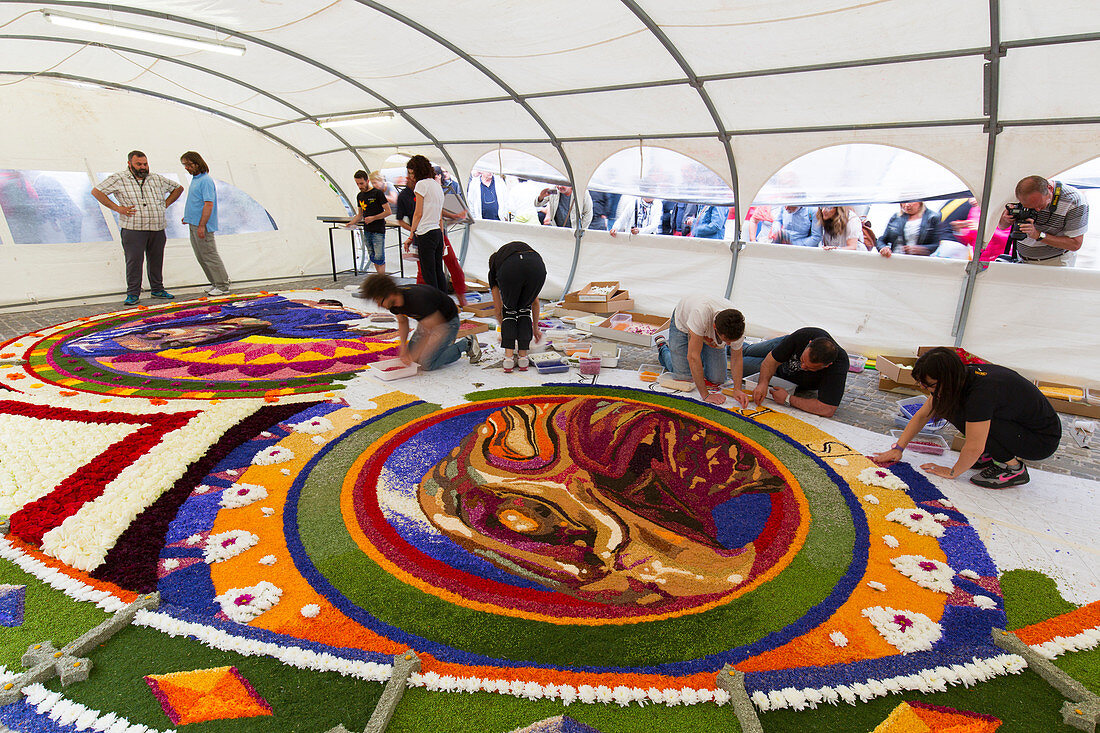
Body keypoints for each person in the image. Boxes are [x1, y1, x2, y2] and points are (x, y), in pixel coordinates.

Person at [872, 347, 1060, 488]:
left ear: (947, 378)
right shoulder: (959, 377)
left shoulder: (980, 394)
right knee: (949, 406)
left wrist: (953, 471)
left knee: (973, 421)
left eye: (929, 384)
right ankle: (991, 455)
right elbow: (922, 415)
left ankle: (1012, 468)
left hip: (1040, 440)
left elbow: (974, 444)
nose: (925, 388)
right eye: (922, 384)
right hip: (1019, 426)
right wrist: (898, 448)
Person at [92, 150, 184, 306]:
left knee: (156, 259)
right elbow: (97, 191)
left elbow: (178, 188)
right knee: (134, 261)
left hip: (157, 227)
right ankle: (133, 293)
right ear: (129, 164)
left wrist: (164, 205)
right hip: (133, 229)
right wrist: (117, 208)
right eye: (139, 164)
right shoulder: (119, 178)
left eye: (145, 164)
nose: (143, 167)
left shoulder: (156, 178)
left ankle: (157, 289)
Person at [360, 273, 481, 371]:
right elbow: (403, 322)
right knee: (412, 359)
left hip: (446, 323)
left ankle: (467, 343)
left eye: (379, 301)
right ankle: (443, 347)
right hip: (426, 323)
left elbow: (436, 329)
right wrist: (403, 347)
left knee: (426, 363)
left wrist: (415, 354)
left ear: (389, 294)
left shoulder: (417, 299)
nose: (379, 305)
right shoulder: (394, 304)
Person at [654, 295, 749, 406]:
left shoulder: (738, 326)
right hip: (683, 324)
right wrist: (706, 395)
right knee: (684, 377)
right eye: (726, 341)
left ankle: (699, 363)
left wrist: (737, 389)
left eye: (731, 342)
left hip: (707, 328)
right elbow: (693, 356)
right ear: (714, 327)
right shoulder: (699, 314)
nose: (728, 345)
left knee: (717, 379)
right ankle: (663, 348)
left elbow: (737, 359)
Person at [394, 173, 468, 306]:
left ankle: (458, 300)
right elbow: (402, 219)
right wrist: (413, 232)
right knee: (425, 272)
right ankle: (426, 301)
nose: (410, 178)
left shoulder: (428, 187)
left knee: (450, 265)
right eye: (409, 175)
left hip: (436, 234)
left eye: (412, 174)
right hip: (422, 235)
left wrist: (453, 216)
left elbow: (437, 211)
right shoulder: (405, 196)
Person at [742, 328, 848, 417]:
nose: (802, 366)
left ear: (827, 365)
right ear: (809, 344)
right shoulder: (804, 335)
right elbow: (771, 361)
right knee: (746, 350)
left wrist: (788, 399)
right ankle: (727, 345)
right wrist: (763, 383)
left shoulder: (839, 365)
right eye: (802, 360)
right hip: (780, 349)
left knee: (742, 364)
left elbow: (827, 409)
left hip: (780, 375)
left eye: (809, 368)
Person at [998, 175, 1089, 266]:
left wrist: (1038, 235)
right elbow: (1001, 227)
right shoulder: (1018, 194)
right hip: (1020, 259)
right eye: (1030, 207)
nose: (1037, 210)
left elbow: (1075, 244)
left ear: (1049, 188)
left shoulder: (1073, 201)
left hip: (1055, 262)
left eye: (1040, 206)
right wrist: (1006, 220)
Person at [488, 241, 546, 373]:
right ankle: (523, 358)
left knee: (509, 310)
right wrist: (535, 329)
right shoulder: (508, 255)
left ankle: (508, 359)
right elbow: (535, 302)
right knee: (524, 309)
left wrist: (506, 332)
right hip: (537, 265)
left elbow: (498, 309)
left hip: (512, 267)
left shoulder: (495, 270)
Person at [179, 151, 231, 296]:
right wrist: (188, 217)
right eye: (184, 165)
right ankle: (215, 283)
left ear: (197, 163)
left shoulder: (206, 180)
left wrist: (202, 225)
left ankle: (222, 285)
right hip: (194, 223)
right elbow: (195, 202)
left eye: (188, 165)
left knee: (209, 254)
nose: (186, 168)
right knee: (201, 255)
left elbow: (208, 204)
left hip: (203, 226)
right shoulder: (196, 179)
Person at [404, 155, 446, 292]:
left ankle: (434, 306)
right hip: (437, 233)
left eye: (411, 173)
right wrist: (442, 236)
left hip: (426, 233)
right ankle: (444, 304)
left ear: (418, 171)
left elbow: (418, 213)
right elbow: (440, 216)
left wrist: (410, 236)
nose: (410, 177)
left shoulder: (421, 185)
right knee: (438, 271)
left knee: (429, 274)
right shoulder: (437, 185)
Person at [344, 170, 392, 275]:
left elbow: (388, 211)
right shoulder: (360, 196)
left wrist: (374, 218)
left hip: (378, 230)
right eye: (357, 184)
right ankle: (380, 278)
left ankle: (382, 280)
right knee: (373, 255)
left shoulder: (377, 193)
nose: (360, 186)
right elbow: (360, 214)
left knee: (379, 256)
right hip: (367, 230)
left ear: (367, 181)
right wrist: (351, 223)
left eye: (361, 183)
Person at [875, 201, 949, 257]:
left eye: (911, 201)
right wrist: (883, 248)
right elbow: (882, 240)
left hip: (918, 262)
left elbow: (936, 244)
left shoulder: (932, 218)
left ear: (920, 202)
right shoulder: (896, 217)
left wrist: (922, 249)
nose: (907, 205)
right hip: (895, 259)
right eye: (904, 202)